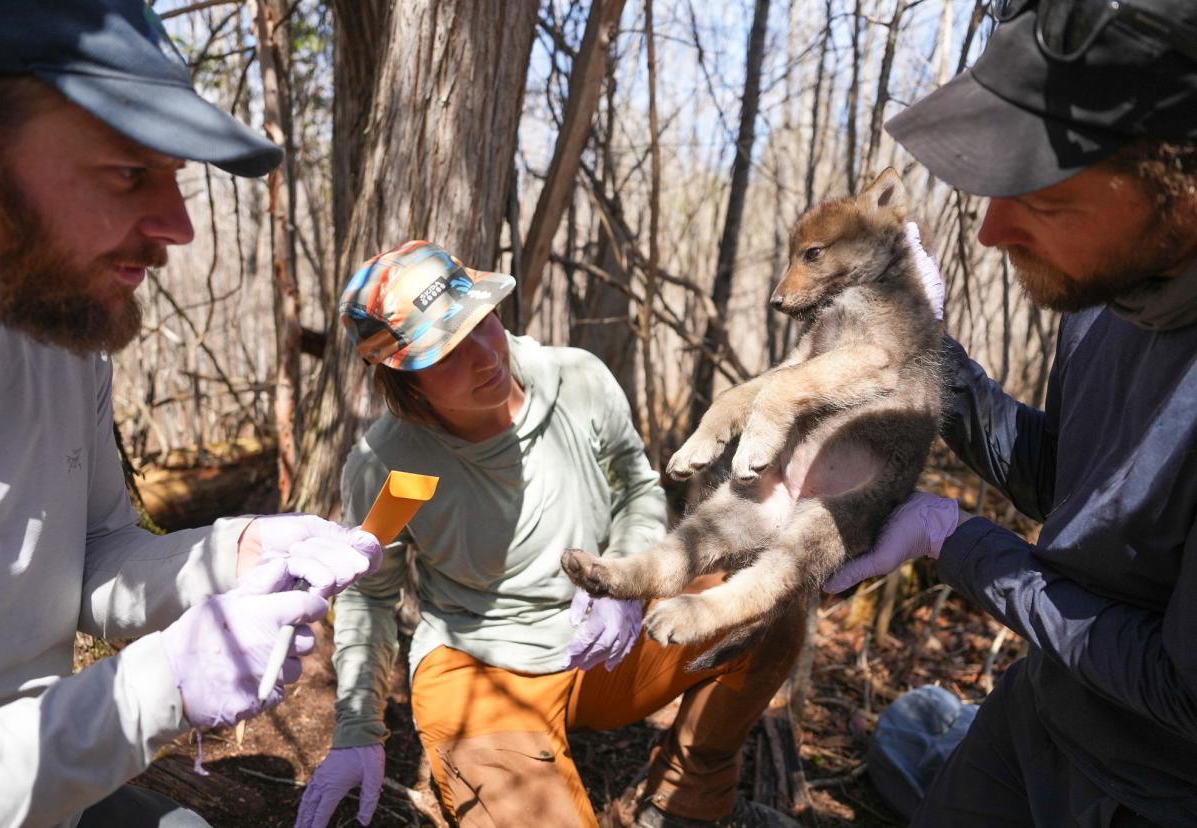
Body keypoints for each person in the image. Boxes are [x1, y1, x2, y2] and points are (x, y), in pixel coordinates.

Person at [0, 2, 382, 826]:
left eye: (176, 178)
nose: (177, 228)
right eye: (127, 173)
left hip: (51, 775)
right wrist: (158, 689)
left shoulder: (57, 338)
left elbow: (89, 558)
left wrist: (240, 548)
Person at [825, 1, 1197, 825]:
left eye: (1047, 202)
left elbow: (1181, 690)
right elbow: (1069, 480)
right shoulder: (1109, 296)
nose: (992, 229)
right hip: (1042, 712)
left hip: (1156, 790)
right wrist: (927, 350)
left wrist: (959, 544)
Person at [295, 240, 808, 828]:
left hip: (606, 642)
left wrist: (627, 580)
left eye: (481, 325)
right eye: (445, 354)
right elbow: (370, 593)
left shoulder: (576, 380)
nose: (483, 357)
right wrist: (356, 729)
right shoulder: (387, 463)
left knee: (764, 598)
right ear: (401, 376)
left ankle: (685, 802)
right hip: (480, 670)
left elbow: (636, 486)